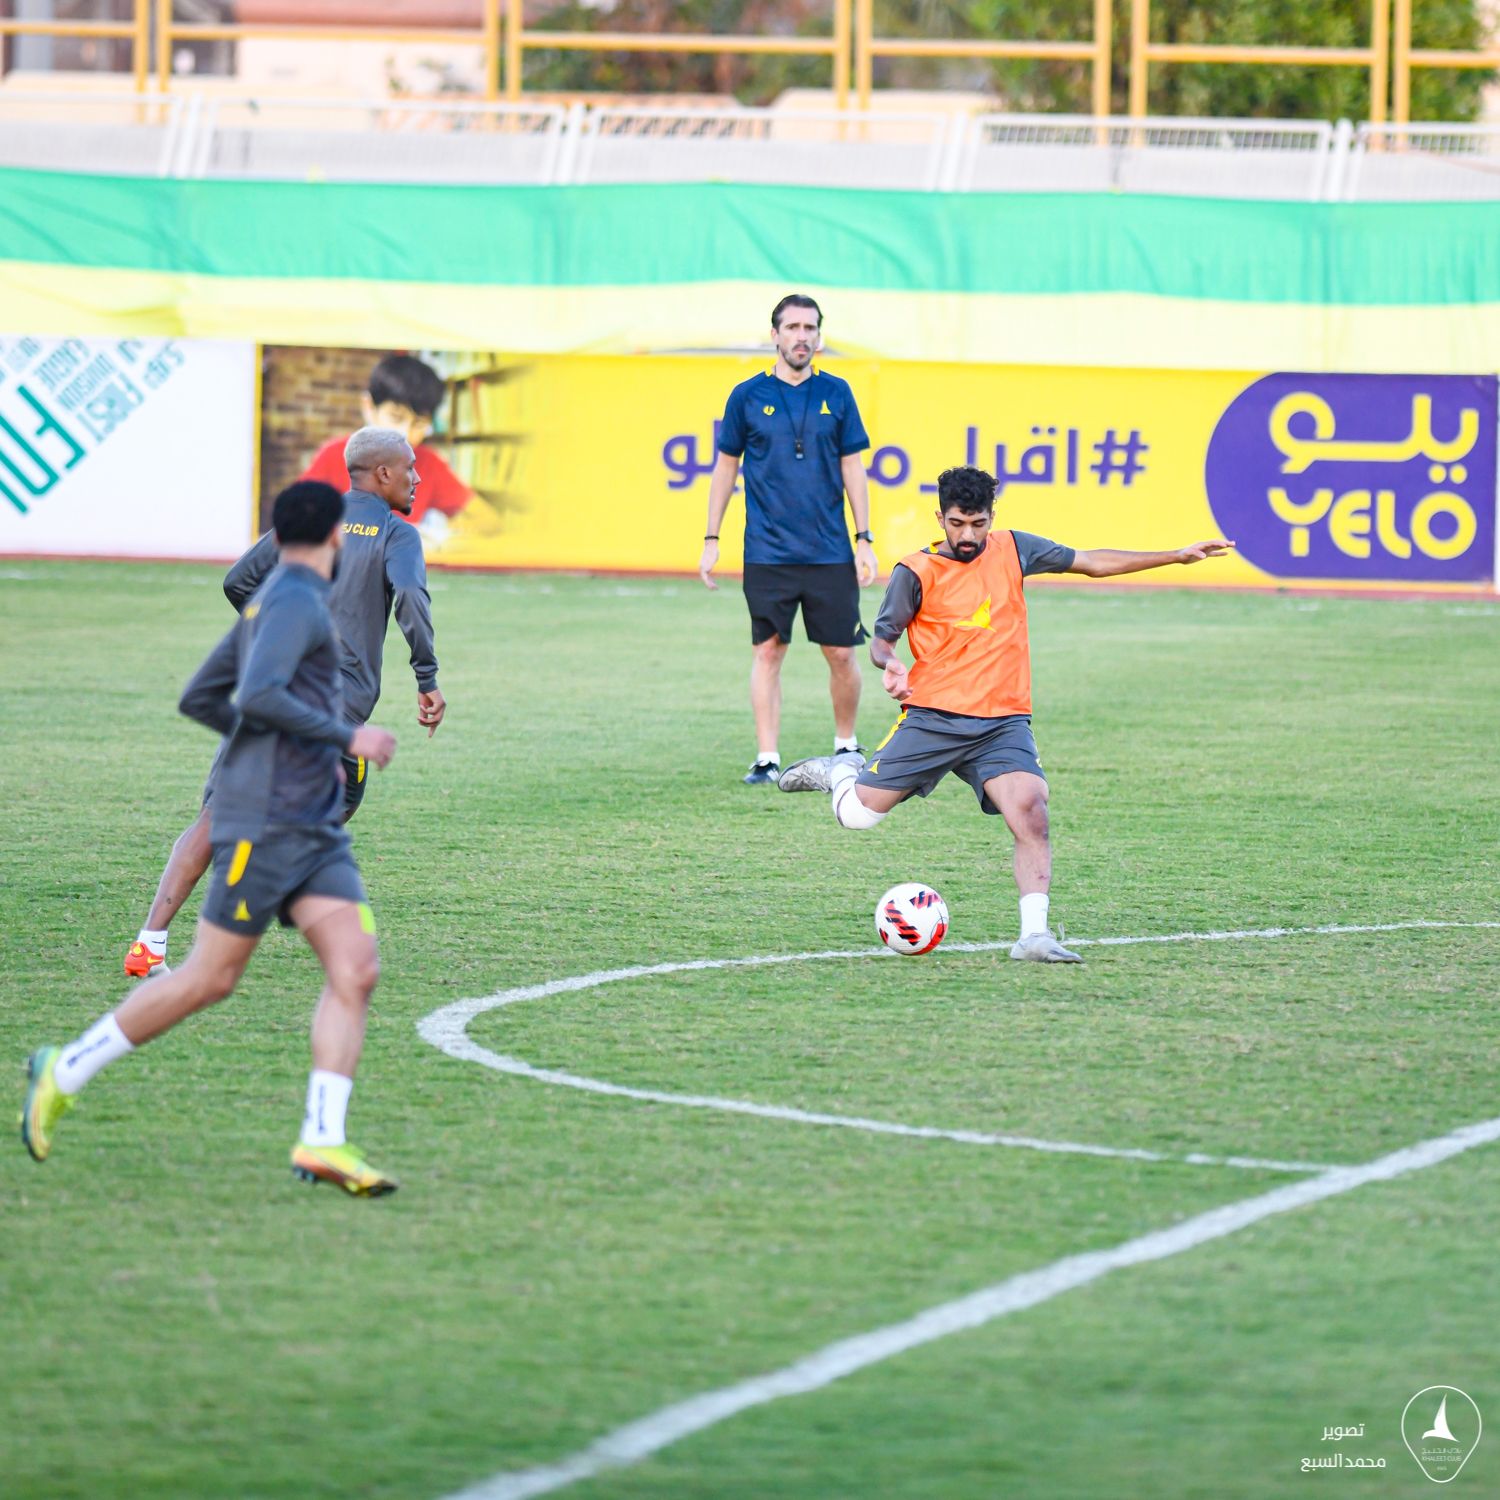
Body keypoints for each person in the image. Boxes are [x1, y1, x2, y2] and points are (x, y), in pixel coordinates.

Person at [21, 481, 401, 1195]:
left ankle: (323, 1139)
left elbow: (202, 697)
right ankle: (65, 1068)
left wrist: (272, 745)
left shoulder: (276, 595)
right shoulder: (291, 603)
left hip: (312, 826)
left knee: (355, 968)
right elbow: (256, 696)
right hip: (266, 823)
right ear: (331, 538)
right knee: (209, 979)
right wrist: (340, 734)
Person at [778, 465, 1235, 962]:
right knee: (856, 817)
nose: (968, 535)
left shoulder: (1016, 548)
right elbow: (883, 640)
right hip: (933, 716)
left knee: (1032, 812)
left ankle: (1033, 937)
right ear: (941, 517)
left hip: (1002, 722)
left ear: (992, 517)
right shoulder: (917, 571)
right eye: (957, 523)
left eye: (978, 523)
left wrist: (1175, 555)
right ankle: (842, 769)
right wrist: (892, 665)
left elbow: (1091, 562)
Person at [122, 427, 445, 980]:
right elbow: (411, 595)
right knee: (328, 814)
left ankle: (149, 942)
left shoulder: (314, 519)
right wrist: (427, 675)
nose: (418, 478)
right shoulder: (397, 533)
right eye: (411, 467)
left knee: (216, 812)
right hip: (333, 702)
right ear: (384, 473)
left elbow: (239, 580)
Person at [699, 294, 878, 785]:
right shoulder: (746, 396)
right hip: (768, 552)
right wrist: (711, 537)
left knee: (842, 654)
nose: (803, 336)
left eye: (811, 327)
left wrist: (864, 538)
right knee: (768, 650)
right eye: (793, 327)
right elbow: (725, 468)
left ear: (819, 336)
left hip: (829, 552)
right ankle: (767, 757)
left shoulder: (838, 394)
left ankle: (847, 745)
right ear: (774, 334)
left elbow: (853, 468)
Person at [300, 352, 473, 541]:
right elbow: (296, 516)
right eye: (396, 418)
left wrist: (451, 532)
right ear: (369, 408)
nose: (405, 434)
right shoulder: (334, 456)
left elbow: (487, 519)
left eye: (419, 423)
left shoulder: (428, 463)